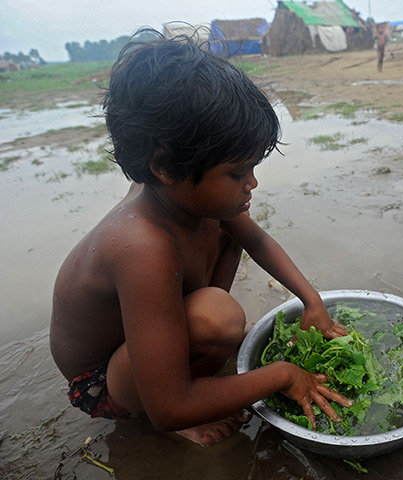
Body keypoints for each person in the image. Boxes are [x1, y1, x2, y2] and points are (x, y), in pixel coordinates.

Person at [49, 30, 351, 447]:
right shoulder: (141, 246)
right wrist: (283, 375)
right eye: (237, 172)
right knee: (218, 317)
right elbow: (167, 405)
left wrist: (311, 301)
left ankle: (191, 364)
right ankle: (185, 400)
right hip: (103, 382)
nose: (253, 183)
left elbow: (258, 242)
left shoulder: (189, 195)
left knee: (231, 235)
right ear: (165, 166)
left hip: (148, 338)